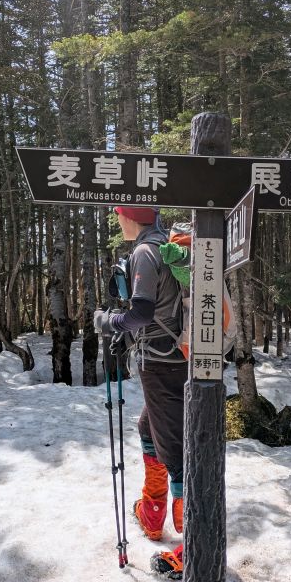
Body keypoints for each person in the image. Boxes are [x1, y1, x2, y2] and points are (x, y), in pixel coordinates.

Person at [94, 206, 187, 555]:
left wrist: (107, 322)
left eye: (119, 215)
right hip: (172, 356)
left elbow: (142, 312)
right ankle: (153, 512)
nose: (118, 221)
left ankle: (188, 542)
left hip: (162, 361)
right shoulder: (165, 245)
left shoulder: (147, 252)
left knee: (174, 447)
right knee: (150, 429)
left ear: (131, 217)